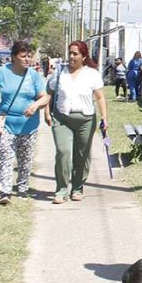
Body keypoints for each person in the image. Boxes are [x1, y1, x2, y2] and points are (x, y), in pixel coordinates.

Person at [0, 41, 48, 205]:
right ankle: (5, 191)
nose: (27, 59)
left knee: (25, 159)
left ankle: (22, 187)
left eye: (29, 56)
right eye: (23, 56)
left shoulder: (34, 75)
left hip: (29, 125)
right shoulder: (1, 72)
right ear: (13, 57)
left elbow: (44, 97)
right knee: (6, 157)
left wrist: (35, 105)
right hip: (5, 123)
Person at [46, 41, 108, 205]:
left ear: (84, 56)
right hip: (62, 119)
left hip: (85, 121)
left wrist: (104, 117)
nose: (72, 57)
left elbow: (100, 97)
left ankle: (77, 188)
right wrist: (46, 112)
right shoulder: (60, 73)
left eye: (76, 54)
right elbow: (49, 93)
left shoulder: (92, 74)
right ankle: (61, 189)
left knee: (82, 155)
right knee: (63, 152)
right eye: (70, 53)